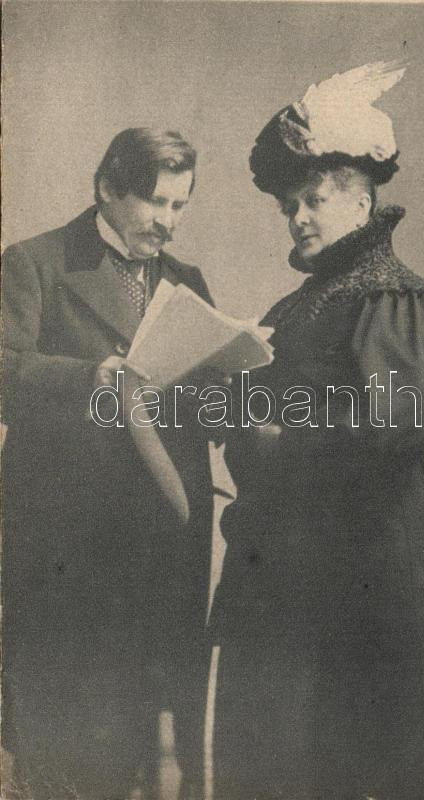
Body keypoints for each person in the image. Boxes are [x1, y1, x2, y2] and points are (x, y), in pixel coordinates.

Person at [212, 63, 424, 800]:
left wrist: (274, 434)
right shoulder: (297, 307)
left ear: (361, 197)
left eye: (313, 200)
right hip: (294, 572)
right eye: (288, 206)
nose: (297, 218)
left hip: (370, 575)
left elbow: (391, 424)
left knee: (352, 758)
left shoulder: (398, 299)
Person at [2, 128, 214, 800]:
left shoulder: (185, 281)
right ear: (106, 190)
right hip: (67, 546)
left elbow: (197, 397)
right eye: (154, 202)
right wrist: (89, 377)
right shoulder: (34, 263)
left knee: (141, 738)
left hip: (158, 544)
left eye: (179, 206)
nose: (166, 221)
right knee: (61, 744)